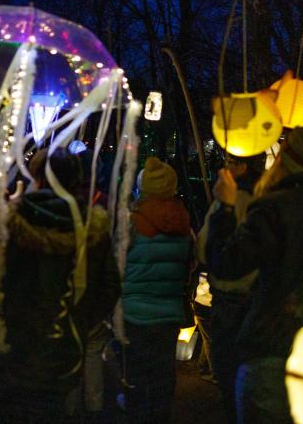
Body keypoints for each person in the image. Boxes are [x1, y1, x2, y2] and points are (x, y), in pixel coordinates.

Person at [208, 124, 303, 423]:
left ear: (286, 159)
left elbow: (226, 263)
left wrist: (224, 209)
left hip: (272, 354)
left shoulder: (274, 209)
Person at [0, 148, 120, 423]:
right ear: (76, 179)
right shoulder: (92, 225)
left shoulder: (15, 218)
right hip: (66, 341)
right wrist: (81, 316)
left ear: (38, 176)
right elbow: (110, 285)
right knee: (52, 409)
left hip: (18, 340)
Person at [121, 157, 192, 423]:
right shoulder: (183, 221)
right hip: (169, 313)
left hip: (133, 312)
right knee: (163, 374)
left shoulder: (131, 222)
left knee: (136, 375)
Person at [195, 154, 265, 419]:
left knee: (228, 370)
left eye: (230, 164)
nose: (224, 169)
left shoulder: (229, 201)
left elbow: (205, 248)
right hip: (257, 296)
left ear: (243, 167)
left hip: (228, 295)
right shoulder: (267, 200)